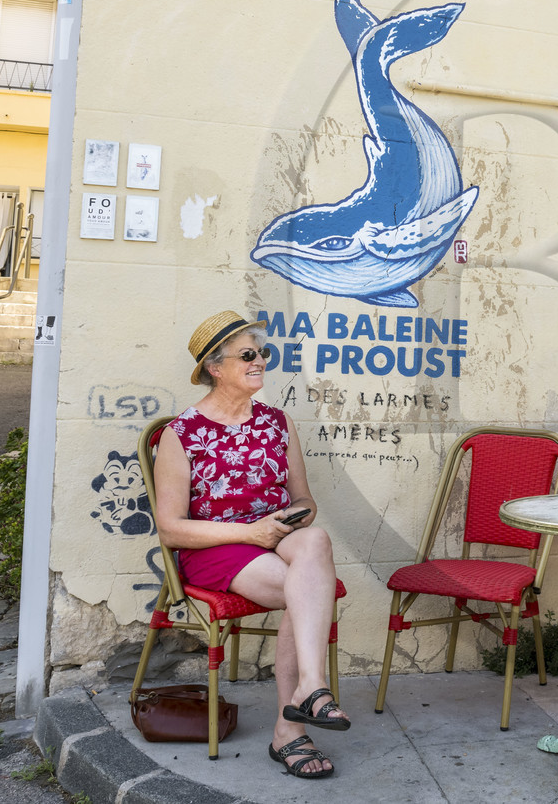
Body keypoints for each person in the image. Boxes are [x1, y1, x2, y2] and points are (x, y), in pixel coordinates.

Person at [154, 310, 348, 777]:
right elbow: (170, 528)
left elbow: (304, 498)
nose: (260, 360)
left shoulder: (277, 423)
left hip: (273, 536)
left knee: (315, 538)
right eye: (248, 355)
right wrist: (249, 532)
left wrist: (291, 517)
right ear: (215, 368)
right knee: (303, 591)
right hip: (215, 548)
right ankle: (293, 729)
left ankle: (310, 688)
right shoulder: (182, 435)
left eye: (262, 352)